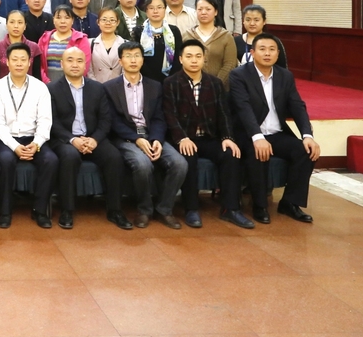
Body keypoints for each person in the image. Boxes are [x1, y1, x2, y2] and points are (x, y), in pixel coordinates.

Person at [162, 39, 253, 229]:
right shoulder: (170, 83)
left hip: (209, 137)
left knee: (231, 154)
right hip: (185, 137)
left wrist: (227, 138)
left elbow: (223, 114)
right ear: (180, 59)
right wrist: (181, 138)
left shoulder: (215, 83)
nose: (194, 60)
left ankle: (230, 209)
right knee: (188, 156)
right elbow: (169, 115)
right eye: (189, 56)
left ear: (204, 59)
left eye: (198, 56)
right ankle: (191, 209)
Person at [229, 34, 320, 224]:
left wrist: (307, 135)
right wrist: (257, 137)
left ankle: (290, 203)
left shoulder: (285, 76)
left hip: (277, 133)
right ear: (252, 53)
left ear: (278, 54)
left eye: (272, 50)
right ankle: (260, 206)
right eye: (262, 49)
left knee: (305, 151)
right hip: (248, 134)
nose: (267, 53)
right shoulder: (239, 75)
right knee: (258, 152)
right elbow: (243, 108)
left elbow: (297, 106)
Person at [48, 47, 132, 230]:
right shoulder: (51, 89)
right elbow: (52, 122)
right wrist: (72, 140)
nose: (75, 64)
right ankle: (67, 210)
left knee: (114, 157)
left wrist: (95, 140)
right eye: (70, 60)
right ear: (62, 64)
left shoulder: (97, 88)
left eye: (79, 61)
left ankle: (115, 210)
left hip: (93, 138)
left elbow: (105, 120)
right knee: (69, 156)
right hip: (65, 140)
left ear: (85, 64)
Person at [106, 41, 187, 229]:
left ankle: (164, 209)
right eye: (128, 56)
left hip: (151, 135)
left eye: (137, 56)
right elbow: (113, 122)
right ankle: (144, 209)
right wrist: (137, 139)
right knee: (142, 164)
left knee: (179, 164)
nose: (133, 60)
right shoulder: (109, 88)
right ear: (120, 61)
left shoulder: (155, 86)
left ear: (143, 59)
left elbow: (159, 117)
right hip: (126, 138)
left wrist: (157, 139)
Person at [0, 43, 59, 228]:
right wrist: (15, 146)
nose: (19, 63)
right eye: (15, 59)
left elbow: (45, 121)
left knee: (50, 160)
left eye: (23, 60)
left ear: (30, 62)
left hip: (33, 138)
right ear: (7, 62)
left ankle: (40, 210)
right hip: (7, 139)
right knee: (5, 161)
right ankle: (5, 211)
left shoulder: (40, 87)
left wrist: (36, 144)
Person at [184, 0, 238, 89]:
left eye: (208, 9)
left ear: (216, 12)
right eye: (200, 9)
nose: (203, 12)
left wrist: (215, 85)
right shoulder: (187, 35)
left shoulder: (226, 36)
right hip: (190, 88)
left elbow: (230, 64)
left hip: (219, 89)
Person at [38, 5, 91, 83]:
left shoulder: (81, 39)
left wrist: (68, 84)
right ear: (53, 20)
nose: (62, 21)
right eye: (58, 17)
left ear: (72, 20)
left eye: (67, 18)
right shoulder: (44, 38)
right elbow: (39, 65)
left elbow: (84, 65)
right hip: (47, 84)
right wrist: (47, 83)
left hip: (72, 84)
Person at [139, 0, 183, 83]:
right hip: (146, 80)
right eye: (151, 8)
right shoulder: (138, 31)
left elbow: (178, 58)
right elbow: (138, 58)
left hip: (171, 80)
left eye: (159, 7)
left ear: (165, 9)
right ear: (146, 11)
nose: (155, 11)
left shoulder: (174, 31)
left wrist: (170, 78)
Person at [0, 10, 42, 83]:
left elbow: (37, 77)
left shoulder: (34, 48)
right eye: (12, 22)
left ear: (25, 26)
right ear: (6, 25)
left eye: (20, 22)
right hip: (2, 88)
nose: (16, 26)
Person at [88, 8, 125, 83]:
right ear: (98, 22)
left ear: (118, 22)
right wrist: (96, 86)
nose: (108, 23)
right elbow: (89, 70)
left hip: (118, 86)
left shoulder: (125, 43)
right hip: (96, 86)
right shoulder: (90, 43)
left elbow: (126, 69)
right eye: (104, 20)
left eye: (112, 20)